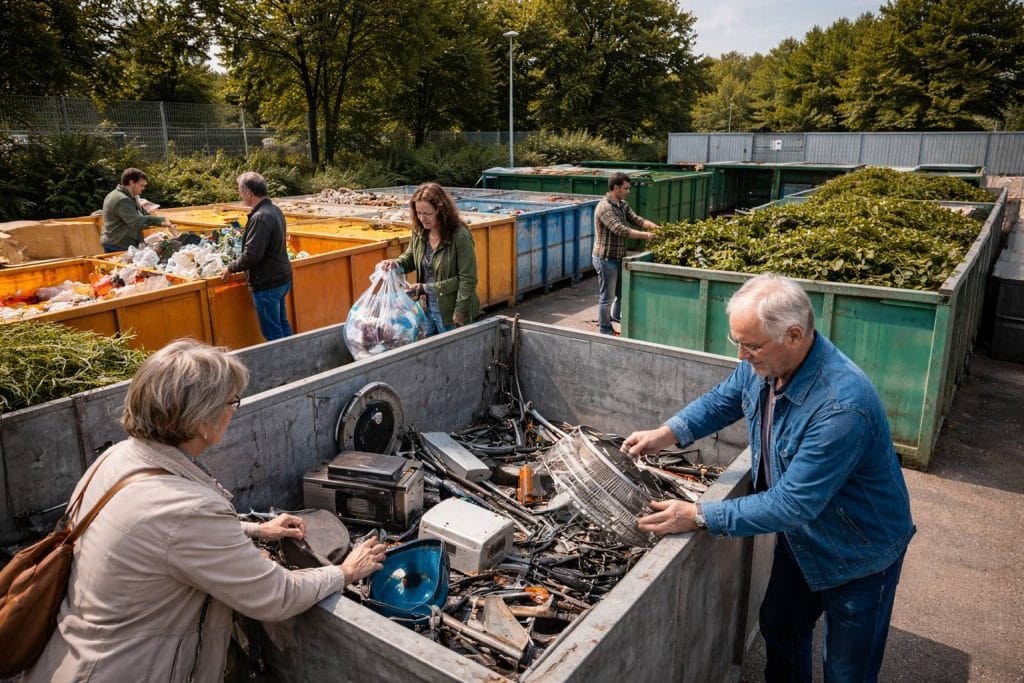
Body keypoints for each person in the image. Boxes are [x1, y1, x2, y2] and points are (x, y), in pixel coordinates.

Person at [23, 340, 387, 682]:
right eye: (232, 402)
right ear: (201, 423)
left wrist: (256, 530)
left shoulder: (116, 458)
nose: (233, 411)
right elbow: (275, 596)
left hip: (72, 658)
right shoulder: (187, 510)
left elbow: (156, 535)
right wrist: (344, 571)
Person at [622, 274, 915, 683]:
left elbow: (793, 504)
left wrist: (699, 514)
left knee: (847, 670)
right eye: (737, 342)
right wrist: (666, 433)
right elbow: (723, 400)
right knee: (780, 627)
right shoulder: (766, 365)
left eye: (752, 346)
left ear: (793, 335)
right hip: (804, 539)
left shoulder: (841, 406)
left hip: (859, 553)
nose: (742, 355)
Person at [381, 182, 479, 335]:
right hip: (426, 309)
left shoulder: (460, 237)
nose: (422, 218)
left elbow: (468, 279)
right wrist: (396, 264)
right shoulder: (420, 232)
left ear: (440, 210)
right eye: (418, 213)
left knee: (451, 349)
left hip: (450, 311)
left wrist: (460, 311)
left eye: (427, 213)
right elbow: (411, 257)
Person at [221, 172, 293, 341]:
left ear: (248, 193)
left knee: (273, 333)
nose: (240, 195)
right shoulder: (274, 210)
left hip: (267, 282)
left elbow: (252, 255)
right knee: (282, 325)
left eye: (240, 191)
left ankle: (282, 359)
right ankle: (295, 355)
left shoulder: (260, 217)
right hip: (281, 277)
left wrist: (230, 268)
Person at [592, 172, 659, 335]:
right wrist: (646, 236)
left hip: (618, 257)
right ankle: (605, 329)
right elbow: (619, 229)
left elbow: (636, 219)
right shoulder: (605, 207)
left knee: (622, 293)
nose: (628, 191)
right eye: (626, 188)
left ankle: (616, 318)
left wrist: (653, 227)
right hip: (605, 259)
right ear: (615, 188)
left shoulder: (622, 204)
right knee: (607, 297)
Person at [100, 167, 176, 252]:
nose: (143, 188)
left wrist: (163, 222)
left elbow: (143, 214)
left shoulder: (131, 196)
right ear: (131, 182)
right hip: (118, 246)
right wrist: (159, 220)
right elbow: (135, 221)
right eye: (141, 185)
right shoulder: (122, 199)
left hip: (122, 244)